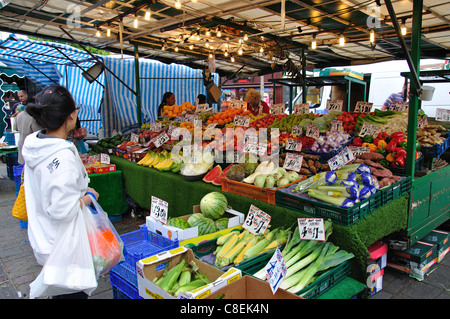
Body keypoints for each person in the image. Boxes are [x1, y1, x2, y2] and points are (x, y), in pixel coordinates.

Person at [22, 85, 99, 299]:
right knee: (71, 294)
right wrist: (88, 197)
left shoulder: (35, 145)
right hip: (66, 245)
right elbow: (64, 210)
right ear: (71, 115)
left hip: (45, 236)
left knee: (61, 292)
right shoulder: (62, 157)